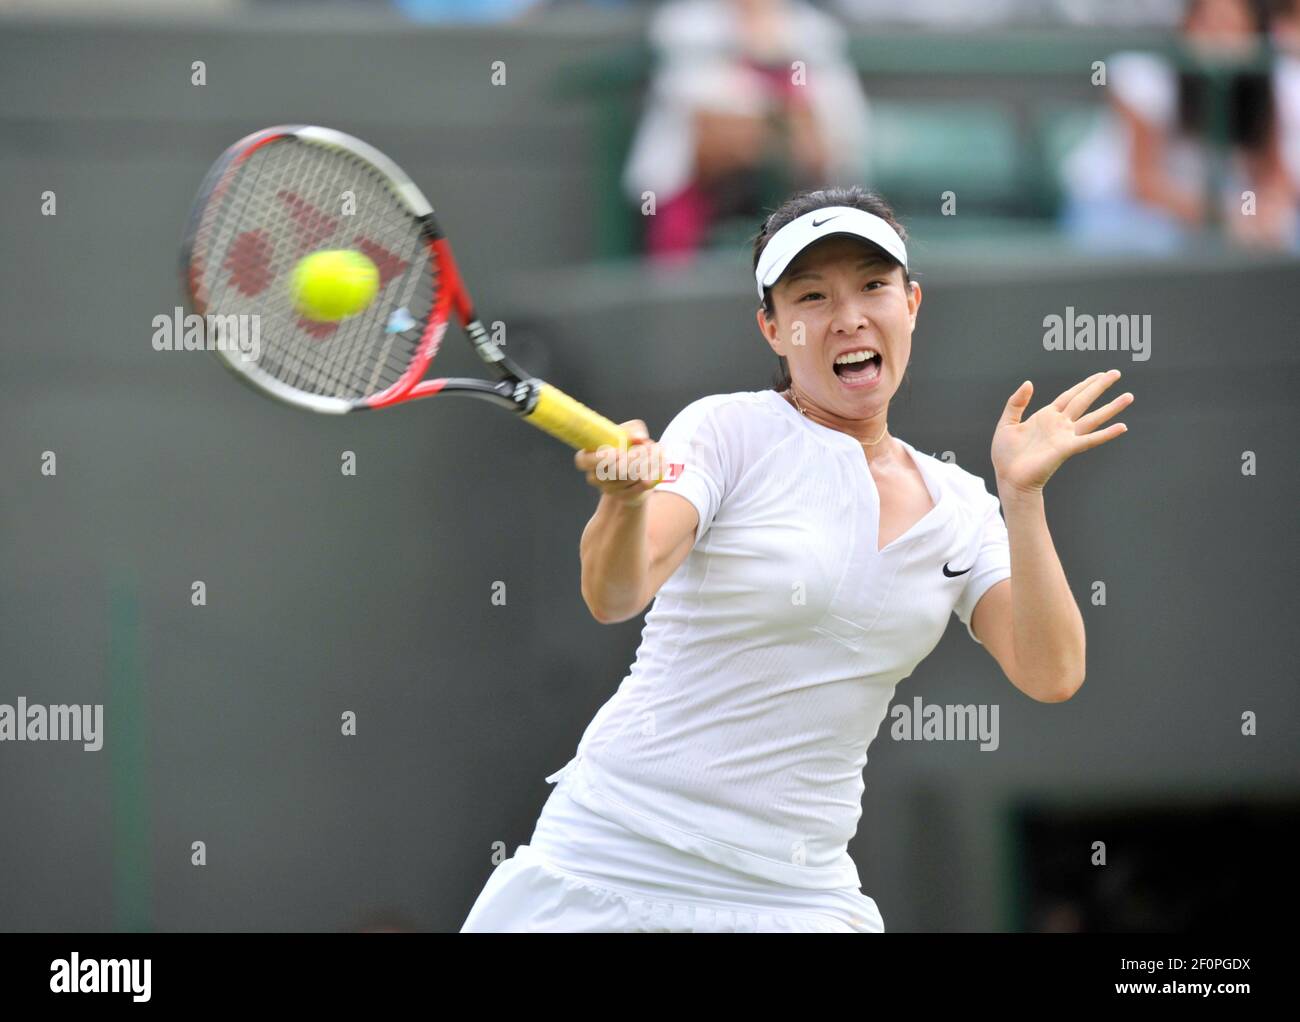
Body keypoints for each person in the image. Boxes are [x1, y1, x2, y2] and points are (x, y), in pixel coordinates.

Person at [460, 185, 1133, 933]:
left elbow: (1052, 672)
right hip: (613, 859)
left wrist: (1021, 496)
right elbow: (617, 593)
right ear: (773, 329)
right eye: (810, 296)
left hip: (797, 895)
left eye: (873, 286)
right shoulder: (725, 432)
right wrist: (622, 504)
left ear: (911, 303)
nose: (847, 316)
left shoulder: (964, 507)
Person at [622, 0, 869, 263]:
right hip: (700, 194)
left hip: (800, 190)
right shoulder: (685, 26)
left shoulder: (815, 31)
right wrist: (781, 126)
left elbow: (831, 139)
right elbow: (714, 135)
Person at [1061, 0, 1296, 252]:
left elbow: (1273, 176)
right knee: (1161, 243)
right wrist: (1225, 218)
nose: (1216, 37)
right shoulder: (1147, 78)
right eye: (1206, 22)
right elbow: (1144, 185)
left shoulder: (1271, 86)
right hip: (1117, 208)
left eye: (1232, 26)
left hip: (1213, 213)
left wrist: (1266, 212)